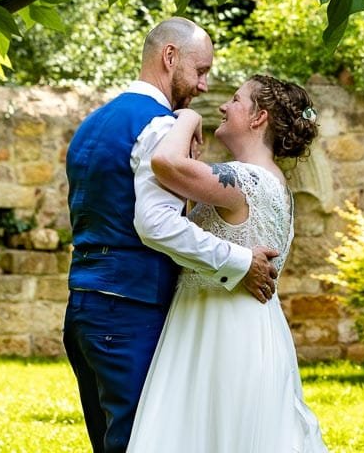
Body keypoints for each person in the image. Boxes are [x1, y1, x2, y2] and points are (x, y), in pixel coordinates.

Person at [62, 18, 280, 453]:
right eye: (200, 71)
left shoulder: (95, 121)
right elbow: (156, 223)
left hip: (84, 308)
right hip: (129, 310)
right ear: (169, 57)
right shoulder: (159, 126)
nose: (203, 86)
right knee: (140, 441)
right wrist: (240, 261)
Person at [128, 74, 329, 452]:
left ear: (259, 118)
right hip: (246, 325)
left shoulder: (246, 181)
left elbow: (164, 162)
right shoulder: (274, 184)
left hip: (223, 333)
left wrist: (185, 118)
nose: (224, 106)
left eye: (236, 100)